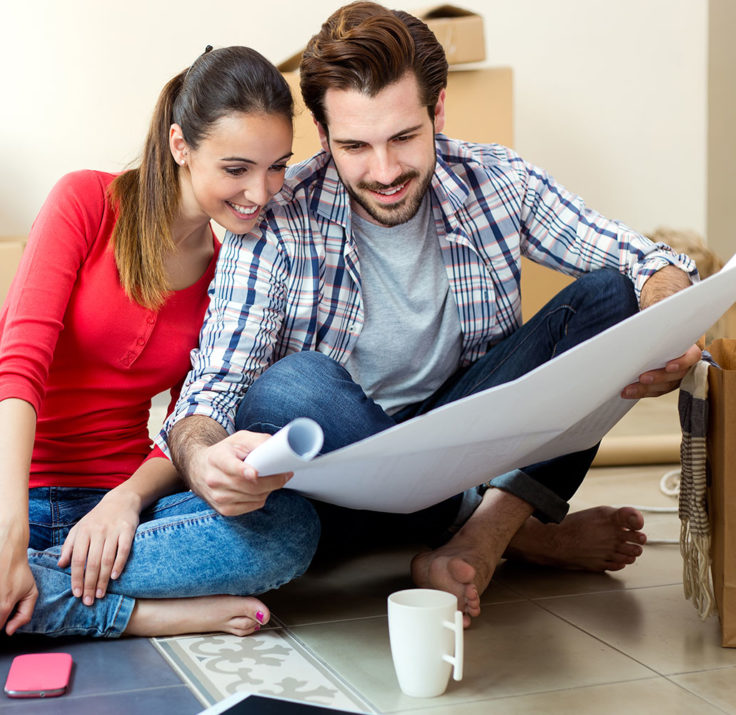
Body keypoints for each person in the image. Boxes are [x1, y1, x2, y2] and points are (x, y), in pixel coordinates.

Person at [160, 3, 700, 628]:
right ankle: (504, 528)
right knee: (293, 385)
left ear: (437, 110)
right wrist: (201, 457)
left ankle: (483, 536)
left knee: (610, 298)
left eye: (404, 138)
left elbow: (649, 261)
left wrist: (663, 326)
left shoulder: (496, 181)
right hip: (343, 477)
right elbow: (212, 393)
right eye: (355, 146)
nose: (384, 172)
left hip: (459, 438)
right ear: (320, 129)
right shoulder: (278, 219)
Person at [0, 45, 319, 640]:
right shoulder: (86, 201)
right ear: (180, 146)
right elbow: (17, 372)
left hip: (115, 510)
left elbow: (193, 417)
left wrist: (123, 501)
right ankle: (127, 614)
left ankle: (1, 595)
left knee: (287, 529)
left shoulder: (232, 268)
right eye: (238, 168)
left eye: (276, 167)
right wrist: (6, 533)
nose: (261, 192)